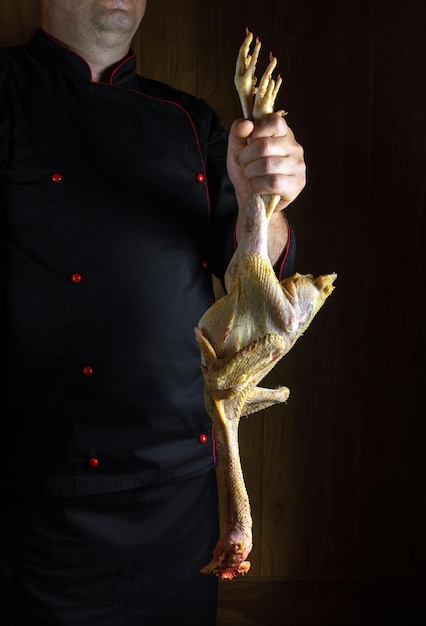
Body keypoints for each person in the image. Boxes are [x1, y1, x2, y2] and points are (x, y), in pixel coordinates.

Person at [0, 1, 306, 624]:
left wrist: (264, 203)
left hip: (184, 489)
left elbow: (255, 273)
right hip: (41, 496)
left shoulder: (192, 120)